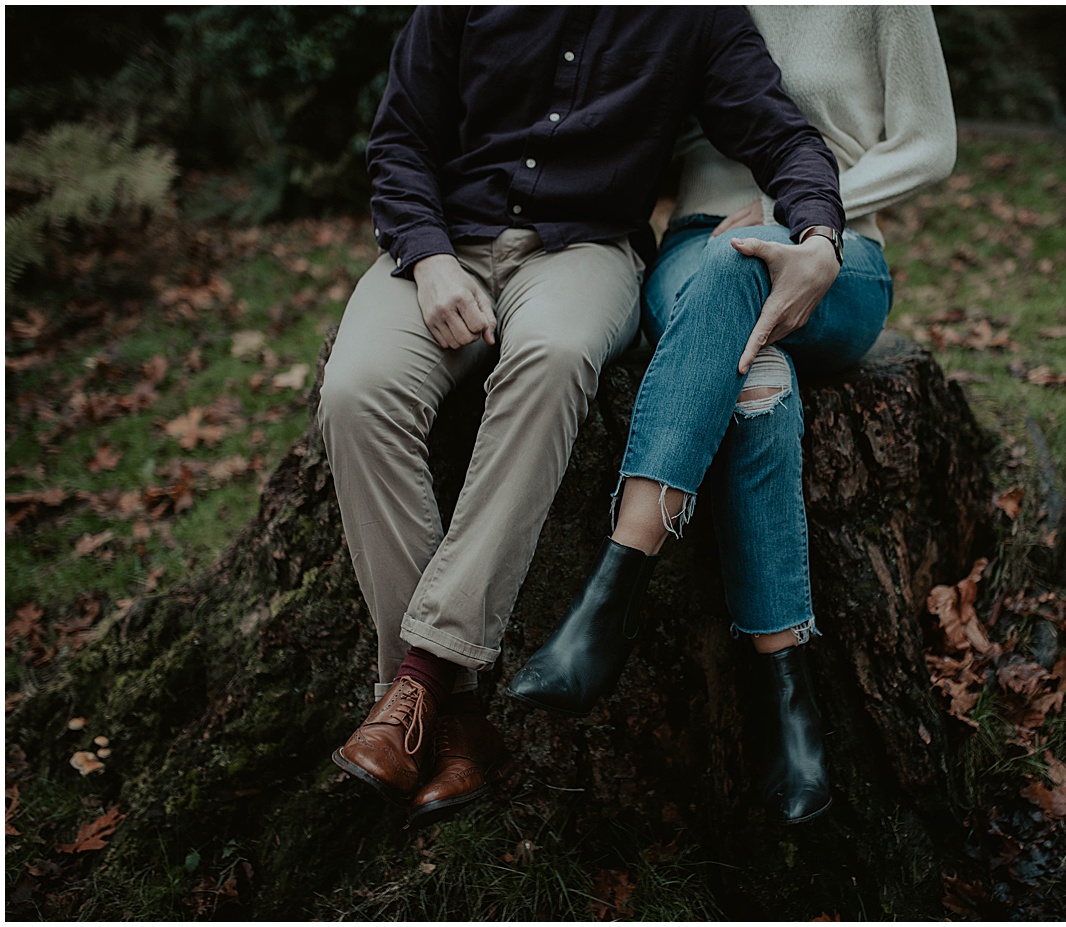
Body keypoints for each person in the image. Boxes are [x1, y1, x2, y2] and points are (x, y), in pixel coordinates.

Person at [322, 7, 846, 828]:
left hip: (586, 251)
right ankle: (447, 712)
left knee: (557, 358)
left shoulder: (696, 17)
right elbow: (399, 140)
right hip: (437, 247)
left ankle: (416, 686)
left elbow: (784, 136)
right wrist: (425, 258)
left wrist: (817, 231)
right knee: (355, 393)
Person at [505, 6, 956, 825]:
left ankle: (613, 591)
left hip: (835, 253)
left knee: (737, 260)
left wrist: (806, 208)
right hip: (693, 253)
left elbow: (932, 144)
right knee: (754, 372)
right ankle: (787, 695)